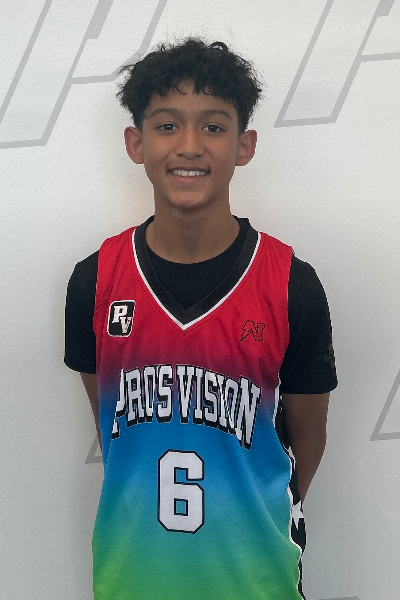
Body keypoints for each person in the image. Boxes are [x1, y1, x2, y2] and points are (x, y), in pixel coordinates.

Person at [64, 37, 337, 600]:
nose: (189, 146)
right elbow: (113, 430)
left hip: (256, 579)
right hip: (132, 577)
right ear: (136, 143)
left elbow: (306, 444)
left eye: (213, 126)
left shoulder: (292, 285)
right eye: (167, 126)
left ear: (244, 146)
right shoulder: (95, 282)